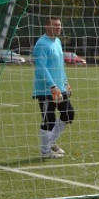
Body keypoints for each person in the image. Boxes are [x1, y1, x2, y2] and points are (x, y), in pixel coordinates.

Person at [32, 17, 74, 160]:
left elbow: (59, 65)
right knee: (48, 119)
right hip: (46, 89)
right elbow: (41, 68)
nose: (58, 27)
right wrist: (52, 85)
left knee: (69, 114)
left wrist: (65, 82)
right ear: (47, 26)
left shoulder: (57, 42)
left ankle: (51, 143)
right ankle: (45, 152)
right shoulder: (41, 44)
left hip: (60, 87)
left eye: (60, 25)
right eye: (55, 25)